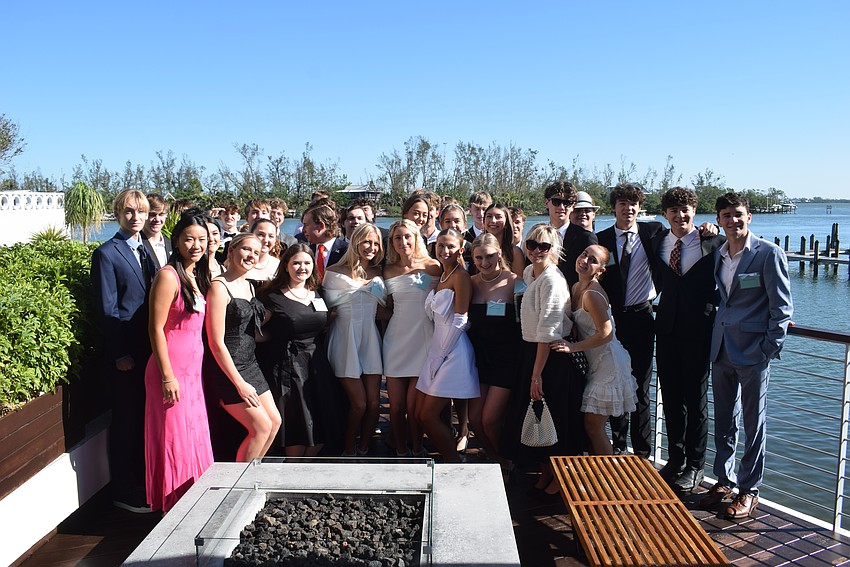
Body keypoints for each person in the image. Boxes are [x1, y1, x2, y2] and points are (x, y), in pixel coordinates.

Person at [699, 192, 793, 520]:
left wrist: (767, 349)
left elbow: (782, 309)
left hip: (754, 353)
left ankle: (749, 490)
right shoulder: (718, 254)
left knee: (754, 424)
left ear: (749, 217)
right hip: (721, 349)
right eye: (726, 215)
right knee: (724, 420)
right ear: (720, 219)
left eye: (738, 214)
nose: (732, 220)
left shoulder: (768, 254)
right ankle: (723, 482)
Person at [650, 187, 725, 492]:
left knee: (695, 401)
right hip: (666, 329)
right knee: (671, 398)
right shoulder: (658, 241)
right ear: (665, 214)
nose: (680, 216)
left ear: (695, 211)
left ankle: (696, 466)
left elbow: (740, 263)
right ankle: (675, 458)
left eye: (686, 210)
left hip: (700, 329)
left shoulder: (713, 241)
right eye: (673, 211)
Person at [144, 210, 214, 513]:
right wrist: (167, 376)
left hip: (192, 372)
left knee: (191, 435)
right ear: (177, 240)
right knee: (173, 438)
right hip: (169, 370)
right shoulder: (168, 276)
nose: (196, 245)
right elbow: (155, 328)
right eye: (189, 239)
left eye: (202, 240)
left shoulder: (195, 274)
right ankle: (173, 504)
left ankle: (194, 497)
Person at [91, 189, 156, 513]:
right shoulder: (106, 253)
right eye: (129, 211)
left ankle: (143, 481)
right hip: (126, 356)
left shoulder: (147, 248)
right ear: (118, 214)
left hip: (149, 352)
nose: (136, 217)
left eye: (141, 212)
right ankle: (122, 489)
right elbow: (108, 310)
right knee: (126, 422)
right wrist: (119, 354)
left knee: (144, 419)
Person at [596, 182, 664, 457]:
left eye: (634, 203)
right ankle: (618, 446)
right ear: (614, 207)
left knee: (641, 386)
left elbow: (688, 235)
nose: (629, 208)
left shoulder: (654, 232)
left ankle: (643, 452)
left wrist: (712, 228)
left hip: (642, 318)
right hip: (612, 321)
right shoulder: (600, 240)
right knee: (615, 382)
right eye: (623, 203)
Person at [550, 245, 637, 455]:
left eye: (593, 260)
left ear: (601, 270)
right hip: (594, 362)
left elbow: (605, 334)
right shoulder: (576, 288)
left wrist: (572, 348)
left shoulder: (592, 295)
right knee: (589, 426)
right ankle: (596, 473)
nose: (585, 261)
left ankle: (606, 478)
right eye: (584, 254)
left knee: (593, 427)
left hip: (608, 364)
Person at [205, 233, 282, 462]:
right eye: (246, 249)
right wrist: (239, 384)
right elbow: (215, 341)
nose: (251, 256)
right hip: (228, 370)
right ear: (232, 250)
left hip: (250, 364)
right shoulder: (218, 287)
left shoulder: (248, 286)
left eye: (256, 253)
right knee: (260, 428)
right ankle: (237, 485)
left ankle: (251, 474)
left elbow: (248, 330)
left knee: (274, 422)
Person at [520, 224, 584, 496]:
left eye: (544, 246)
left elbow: (548, 331)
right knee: (541, 415)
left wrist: (536, 375)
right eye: (532, 244)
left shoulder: (552, 281)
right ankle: (546, 470)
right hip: (533, 351)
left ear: (554, 249)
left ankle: (562, 478)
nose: (537, 250)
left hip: (551, 357)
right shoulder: (530, 273)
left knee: (556, 418)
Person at [257, 244, 337, 457]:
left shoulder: (317, 292)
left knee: (320, 420)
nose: (302, 268)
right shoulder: (271, 296)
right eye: (296, 263)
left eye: (307, 263)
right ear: (286, 265)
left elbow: (323, 323)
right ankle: (292, 468)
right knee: (297, 424)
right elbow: (257, 333)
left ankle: (303, 467)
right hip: (287, 366)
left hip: (316, 363)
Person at [416, 229, 479, 463]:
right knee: (422, 414)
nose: (445, 250)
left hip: (454, 351)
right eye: (441, 245)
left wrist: (442, 354)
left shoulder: (460, 276)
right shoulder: (441, 277)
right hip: (438, 347)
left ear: (460, 250)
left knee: (428, 414)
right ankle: (451, 459)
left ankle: (453, 462)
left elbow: (461, 318)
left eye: (450, 246)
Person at [324, 224, 387, 456]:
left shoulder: (380, 272)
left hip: (369, 337)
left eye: (376, 243)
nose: (371, 247)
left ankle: (364, 448)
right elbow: (324, 310)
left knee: (374, 403)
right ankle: (348, 450)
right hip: (344, 337)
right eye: (366, 242)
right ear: (356, 242)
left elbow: (386, 309)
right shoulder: (334, 271)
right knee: (359, 403)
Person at [382, 219, 442, 456]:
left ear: (417, 238)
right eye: (398, 237)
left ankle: (417, 450)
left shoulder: (433, 266)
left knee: (412, 405)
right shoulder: (388, 269)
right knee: (395, 407)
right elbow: (386, 308)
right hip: (396, 339)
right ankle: (400, 449)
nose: (403, 241)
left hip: (424, 338)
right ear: (392, 242)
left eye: (408, 236)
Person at [467, 233, 521, 471]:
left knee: (490, 419)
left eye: (489, 256)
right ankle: (494, 458)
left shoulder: (515, 282)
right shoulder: (469, 283)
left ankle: (507, 461)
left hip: (507, 358)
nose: (484, 262)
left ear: (499, 254)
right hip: (479, 358)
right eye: (479, 258)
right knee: (475, 420)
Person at [560, 190, 599, 287]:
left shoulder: (597, 238)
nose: (582, 214)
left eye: (587, 210)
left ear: (593, 214)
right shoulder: (562, 237)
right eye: (577, 211)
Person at [301, 203, 347, 283]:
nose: (303, 230)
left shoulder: (346, 251)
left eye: (306, 225)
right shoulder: (306, 251)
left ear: (321, 226)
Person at [484, 202, 524, 277]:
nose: (493, 220)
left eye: (498, 217)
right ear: (484, 221)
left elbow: (520, 284)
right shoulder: (476, 248)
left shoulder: (514, 252)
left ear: (506, 223)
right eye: (489, 216)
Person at [141, 193, 172, 270]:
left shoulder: (171, 244)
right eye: (152, 214)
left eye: (161, 214)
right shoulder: (137, 245)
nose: (157, 219)